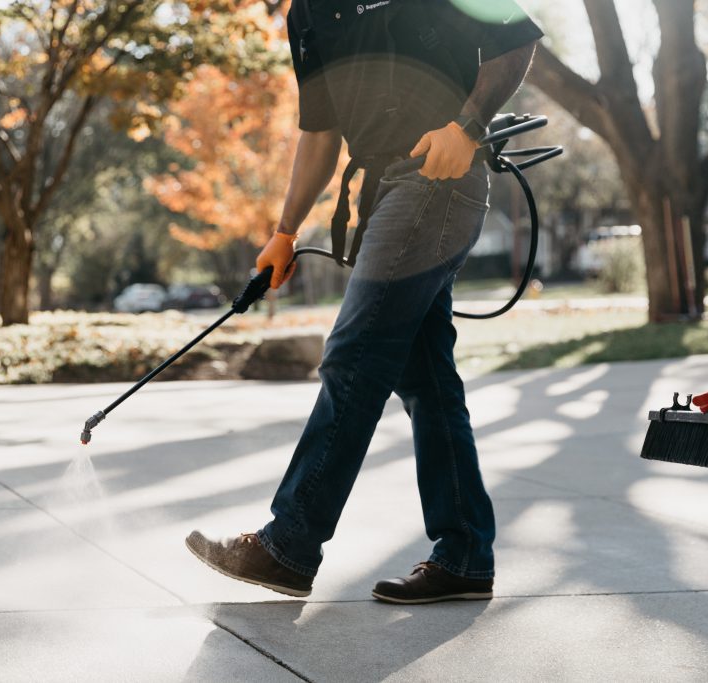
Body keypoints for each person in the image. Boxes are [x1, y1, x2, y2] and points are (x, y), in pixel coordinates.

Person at [186, 0, 543, 604]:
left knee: (355, 355)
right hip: (385, 192)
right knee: (427, 377)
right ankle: (464, 554)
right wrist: (285, 231)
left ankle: (289, 544)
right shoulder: (307, 16)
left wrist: (468, 125)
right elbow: (319, 134)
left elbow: (518, 41)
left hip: (439, 177)